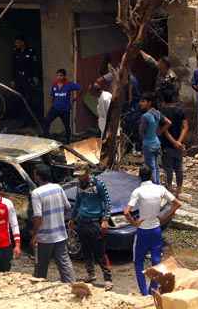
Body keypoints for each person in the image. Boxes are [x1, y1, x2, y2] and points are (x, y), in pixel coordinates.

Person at [124, 165, 182, 296]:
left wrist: (134, 223)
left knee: (138, 261)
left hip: (143, 231)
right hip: (156, 229)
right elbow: (177, 203)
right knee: (156, 261)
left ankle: (144, 293)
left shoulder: (138, 191)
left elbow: (126, 212)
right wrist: (164, 217)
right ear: (151, 176)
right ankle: (153, 290)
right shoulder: (160, 189)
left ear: (140, 177)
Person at [69, 163, 113, 286]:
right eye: (78, 175)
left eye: (81, 175)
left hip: (95, 222)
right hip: (82, 222)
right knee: (85, 250)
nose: (79, 178)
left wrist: (105, 220)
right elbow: (78, 202)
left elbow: (108, 203)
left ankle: (108, 279)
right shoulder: (79, 185)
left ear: (87, 173)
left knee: (100, 252)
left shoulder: (98, 184)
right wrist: (72, 219)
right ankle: (90, 274)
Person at [31, 164, 75, 283]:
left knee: (41, 265)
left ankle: (38, 289)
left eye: (35, 174)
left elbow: (38, 217)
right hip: (60, 234)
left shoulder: (36, 193)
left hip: (45, 238)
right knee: (64, 263)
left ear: (38, 177)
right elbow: (68, 207)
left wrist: (35, 235)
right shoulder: (58, 187)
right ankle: (71, 286)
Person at [159, 88, 188, 196]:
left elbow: (164, 129)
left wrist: (173, 142)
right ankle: (179, 190)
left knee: (168, 168)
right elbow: (185, 127)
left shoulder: (162, 111)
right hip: (178, 146)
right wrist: (179, 142)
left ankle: (169, 189)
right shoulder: (180, 110)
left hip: (167, 145)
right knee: (179, 168)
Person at [139, 92, 172, 185]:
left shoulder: (145, 116)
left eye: (143, 101)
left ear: (149, 103)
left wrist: (143, 140)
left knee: (151, 167)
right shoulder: (157, 113)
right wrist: (159, 132)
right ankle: (158, 185)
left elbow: (141, 132)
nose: (140, 103)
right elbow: (169, 122)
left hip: (148, 144)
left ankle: (154, 186)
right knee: (156, 166)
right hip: (157, 143)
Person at [43, 69, 81, 144]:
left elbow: (80, 88)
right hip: (55, 108)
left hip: (65, 110)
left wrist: (76, 98)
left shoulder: (69, 84)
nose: (59, 77)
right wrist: (51, 106)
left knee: (67, 126)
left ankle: (68, 142)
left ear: (64, 76)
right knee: (46, 121)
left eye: (61, 75)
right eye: (57, 75)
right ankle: (46, 139)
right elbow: (52, 96)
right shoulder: (54, 85)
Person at [12, 36, 38, 123]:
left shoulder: (30, 51)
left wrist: (35, 77)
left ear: (22, 42)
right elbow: (13, 66)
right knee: (19, 99)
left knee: (29, 99)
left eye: (17, 42)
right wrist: (13, 79)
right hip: (19, 79)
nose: (16, 44)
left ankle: (31, 119)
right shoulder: (15, 52)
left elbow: (34, 65)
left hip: (28, 78)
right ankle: (23, 120)